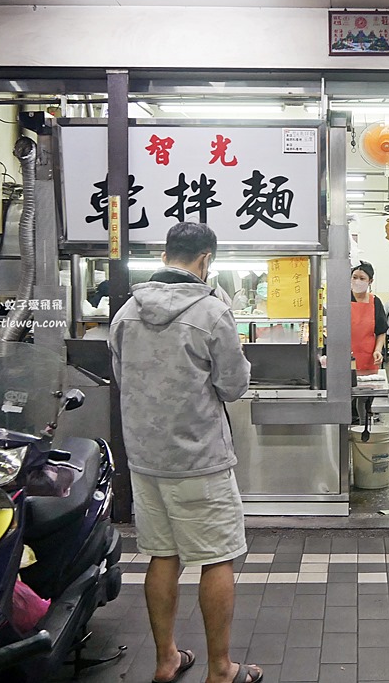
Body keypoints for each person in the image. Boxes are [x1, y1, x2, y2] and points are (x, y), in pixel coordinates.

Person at [109, 222, 262, 683]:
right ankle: (220, 669)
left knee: (161, 555)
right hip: (200, 460)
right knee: (216, 558)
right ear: (205, 260)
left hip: (146, 459)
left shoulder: (125, 314)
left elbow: (121, 378)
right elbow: (234, 386)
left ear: (163, 257)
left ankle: (166, 659)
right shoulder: (213, 313)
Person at [351, 262, 388, 376]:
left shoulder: (375, 302)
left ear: (370, 281)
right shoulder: (342, 301)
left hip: (369, 358)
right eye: (354, 277)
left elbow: (381, 331)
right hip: (345, 358)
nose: (357, 281)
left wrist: (378, 350)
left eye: (362, 278)